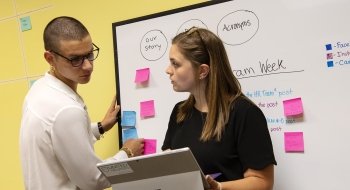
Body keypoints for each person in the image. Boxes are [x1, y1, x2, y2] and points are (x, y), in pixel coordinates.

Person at [19, 16, 144, 190]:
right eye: (75, 59)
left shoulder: (40, 89)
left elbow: (56, 137)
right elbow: (94, 180)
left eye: (90, 54)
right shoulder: (66, 110)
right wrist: (127, 153)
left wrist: (100, 127)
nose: (88, 66)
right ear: (50, 58)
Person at [162, 27, 277, 190]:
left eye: (176, 64)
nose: (168, 70)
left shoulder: (245, 113)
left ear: (202, 71)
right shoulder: (179, 112)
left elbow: (263, 182)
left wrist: (220, 188)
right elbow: (169, 167)